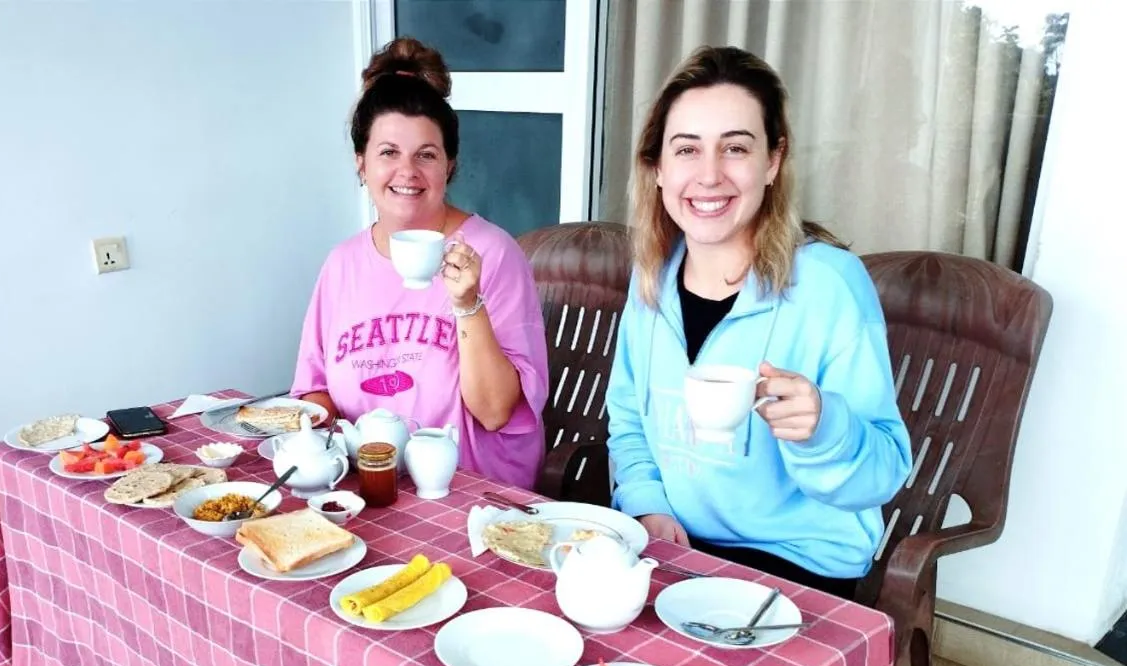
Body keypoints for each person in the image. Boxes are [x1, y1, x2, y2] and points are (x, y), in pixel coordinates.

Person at [605, 46, 913, 599]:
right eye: (687, 150)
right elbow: (628, 419)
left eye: (736, 148)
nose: (709, 175)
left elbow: (887, 470)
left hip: (797, 562)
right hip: (674, 543)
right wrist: (647, 502)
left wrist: (824, 429)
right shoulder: (652, 277)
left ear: (772, 161)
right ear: (657, 168)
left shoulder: (829, 287)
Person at [288, 38, 549, 490]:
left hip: (470, 498)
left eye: (426, 155)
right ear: (361, 164)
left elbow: (494, 410)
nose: (407, 172)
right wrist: (315, 445)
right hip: (368, 487)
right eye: (388, 152)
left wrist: (469, 304)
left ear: (449, 165)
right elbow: (315, 392)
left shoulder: (492, 254)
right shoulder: (342, 264)